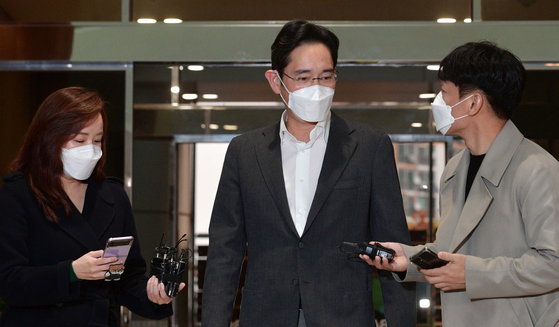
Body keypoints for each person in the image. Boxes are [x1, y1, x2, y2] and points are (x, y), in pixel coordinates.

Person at [202, 20, 415, 327]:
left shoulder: (369, 147)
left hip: (345, 317)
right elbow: (225, 252)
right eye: (303, 78)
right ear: (276, 81)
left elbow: (394, 251)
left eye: (326, 77)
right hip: (265, 317)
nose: (317, 88)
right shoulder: (244, 152)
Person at [364, 41, 559, 326]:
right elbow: (452, 253)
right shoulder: (455, 167)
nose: (437, 103)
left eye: (445, 93)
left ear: (473, 103)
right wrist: (408, 258)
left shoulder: (537, 169)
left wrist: (472, 275)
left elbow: (553, 262)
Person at [0, 87, 184, 326]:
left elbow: (126, 279)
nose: (90, 149)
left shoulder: (113, 196)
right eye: (80, 140)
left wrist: (154, 295)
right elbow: (9, 282)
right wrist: (72, 272)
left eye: (97, 140)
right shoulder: (18, 194)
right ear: (49, 136)